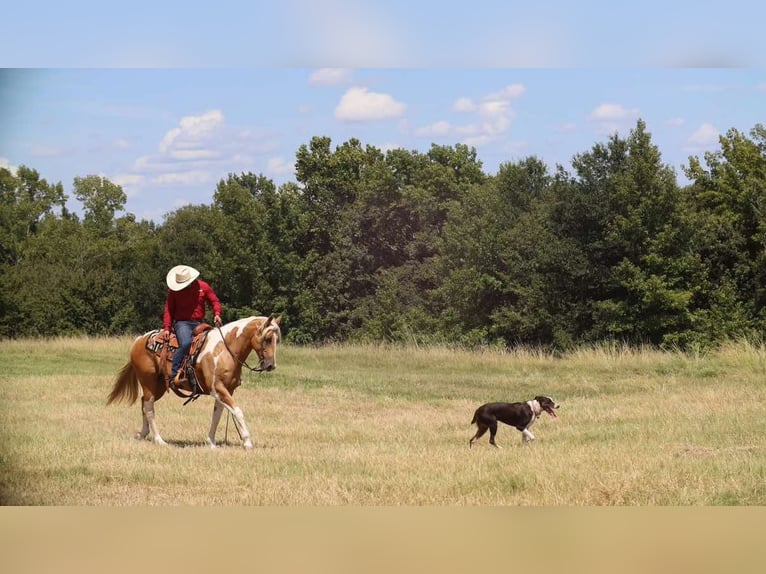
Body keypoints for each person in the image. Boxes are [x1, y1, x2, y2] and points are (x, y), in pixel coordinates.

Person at [160, 264, 222, 385]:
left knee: (213, 343)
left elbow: (214, 301)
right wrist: (167, 328)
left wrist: (217, 313)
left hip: (199, 323)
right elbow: (168, 309)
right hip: (182, 323)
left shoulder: (203, 287)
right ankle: (174, 374)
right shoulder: (173, 291)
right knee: (186, 343)